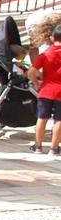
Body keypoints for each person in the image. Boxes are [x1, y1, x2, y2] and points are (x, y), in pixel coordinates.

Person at [28, 26, 61, 155]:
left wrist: (36, 83)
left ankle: (38, 146)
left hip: (46, 90)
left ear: (52, 39)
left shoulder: (45, 54)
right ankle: (54, 148)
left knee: (42, 118)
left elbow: (31, 72)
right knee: (59, 120)